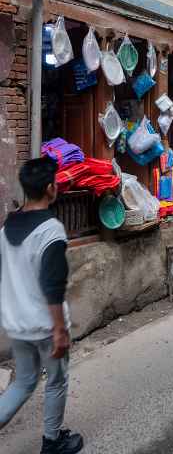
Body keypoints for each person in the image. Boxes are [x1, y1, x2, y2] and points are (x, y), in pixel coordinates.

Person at [0, 157, 83, 454]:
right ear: (51, 188)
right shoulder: (51, 230)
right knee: (56, 380)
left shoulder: (6, 228)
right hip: (46, 326)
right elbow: (53, 285)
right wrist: (60, 329)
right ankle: (52, 442)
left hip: (17, 324)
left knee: (23, 382)